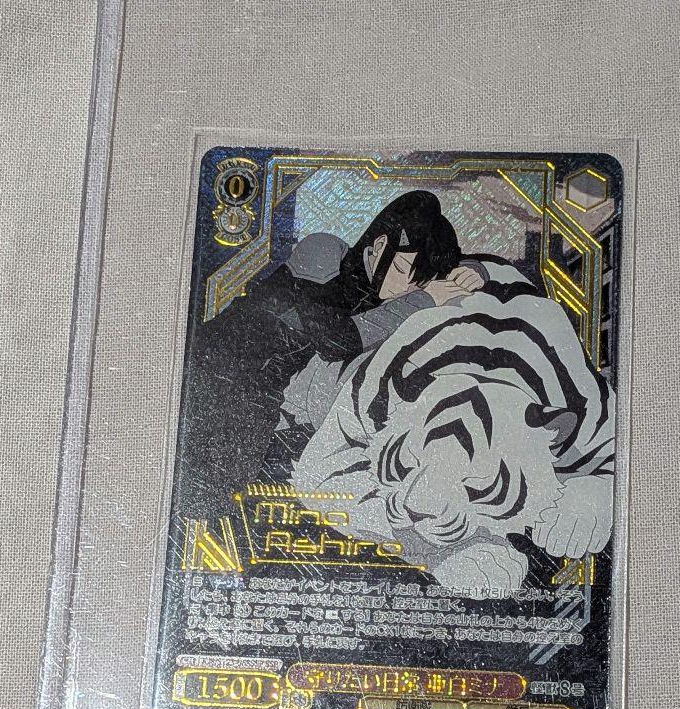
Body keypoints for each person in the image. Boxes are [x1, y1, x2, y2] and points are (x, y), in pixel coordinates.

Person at [173, 190, 482, 520]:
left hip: (259, 399)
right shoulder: (324, 252)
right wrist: (424, 298)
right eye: (403, 267)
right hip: (211, 373)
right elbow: (335, 339)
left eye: (418, 283)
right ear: (379, 246)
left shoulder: (381, 295)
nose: (404, 287)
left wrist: (474, 269)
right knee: (196, 496)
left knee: (215, 499)